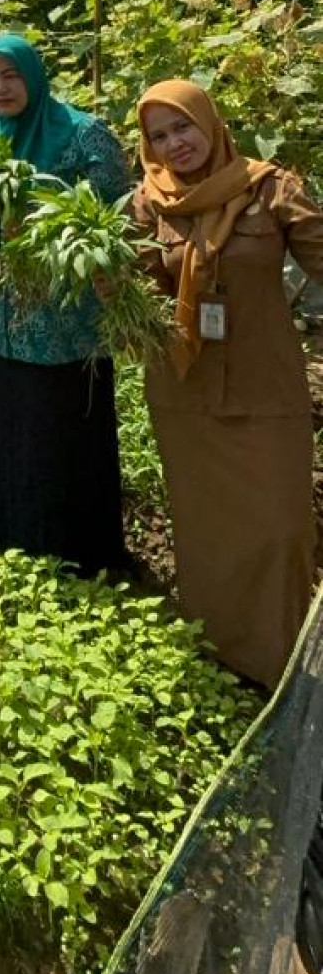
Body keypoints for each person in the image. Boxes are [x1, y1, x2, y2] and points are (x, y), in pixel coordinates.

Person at [134, 81, 323, 693]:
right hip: (183, 393)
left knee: (281, 527)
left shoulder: (271, 189)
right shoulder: (148, 204)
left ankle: (284, 669)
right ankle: (220, 658)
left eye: (182, 127)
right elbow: (137, 294)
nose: (174, 144)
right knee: (205, 531)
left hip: (265, 391)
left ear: (210, 123)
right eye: (159, 135)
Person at [0, 33, 130, 574]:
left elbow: (114, 221)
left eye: (12, 76)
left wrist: (44, 220)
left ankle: (72, 552)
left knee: (56, 430)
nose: (1, 89)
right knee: (2, 421)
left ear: (34, 76)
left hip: (61, 323)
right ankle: (0, 534)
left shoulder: (82, 135)